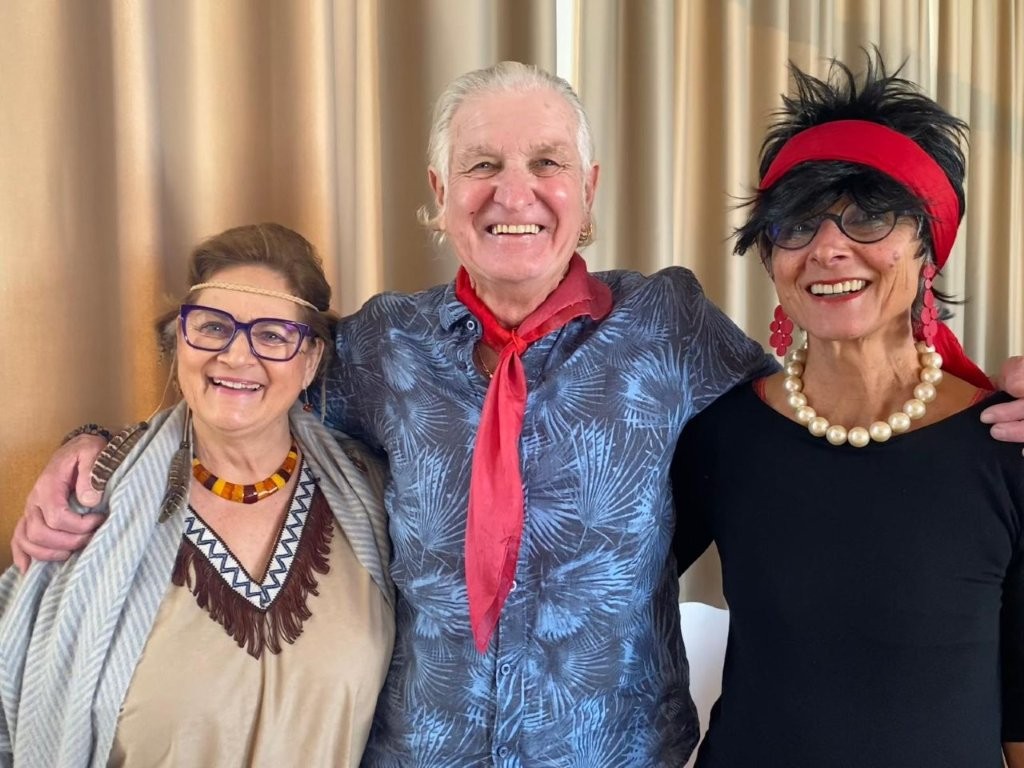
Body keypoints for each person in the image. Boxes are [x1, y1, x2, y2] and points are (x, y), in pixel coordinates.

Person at [10, 61, 1024, 767]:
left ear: (587, 189)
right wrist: (96, 449)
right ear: (438, 191)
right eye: (482, 165)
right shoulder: (378, 346)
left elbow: (827, 412)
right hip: (419, 753)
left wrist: (997, 399)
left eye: (546, 163)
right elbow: (238, 382)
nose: (515, 193)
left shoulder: (670, 326)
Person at [672, 54, 1024, 767]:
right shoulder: (720, 435)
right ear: (770, 258)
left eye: (869, 216)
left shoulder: (1006, 444)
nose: (829, 248)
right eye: (797, 224)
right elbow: (594, 583)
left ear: (928, 248)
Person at [0, 224, 394, 767]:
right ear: (179, 343)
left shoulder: (374, 497)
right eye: (212, 327)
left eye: (272, 335)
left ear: (309, 361)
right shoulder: (89, 504)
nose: (236, 356)